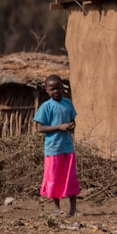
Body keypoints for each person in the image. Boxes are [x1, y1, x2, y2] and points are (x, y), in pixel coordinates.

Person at [34, 74, 80, 217]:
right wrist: (59, 127)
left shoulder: (68, 104)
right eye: (52, 89)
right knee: (54, 179)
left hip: (68, 147)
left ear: (63, 88)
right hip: (53, 149)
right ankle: (57, 209)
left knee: (71, 178)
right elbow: (40, 128)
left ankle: (73, 209)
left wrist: (71, 126)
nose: (56, 91)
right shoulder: (46, 107)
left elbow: (72, 121)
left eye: (58, 88)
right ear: (47, 90)